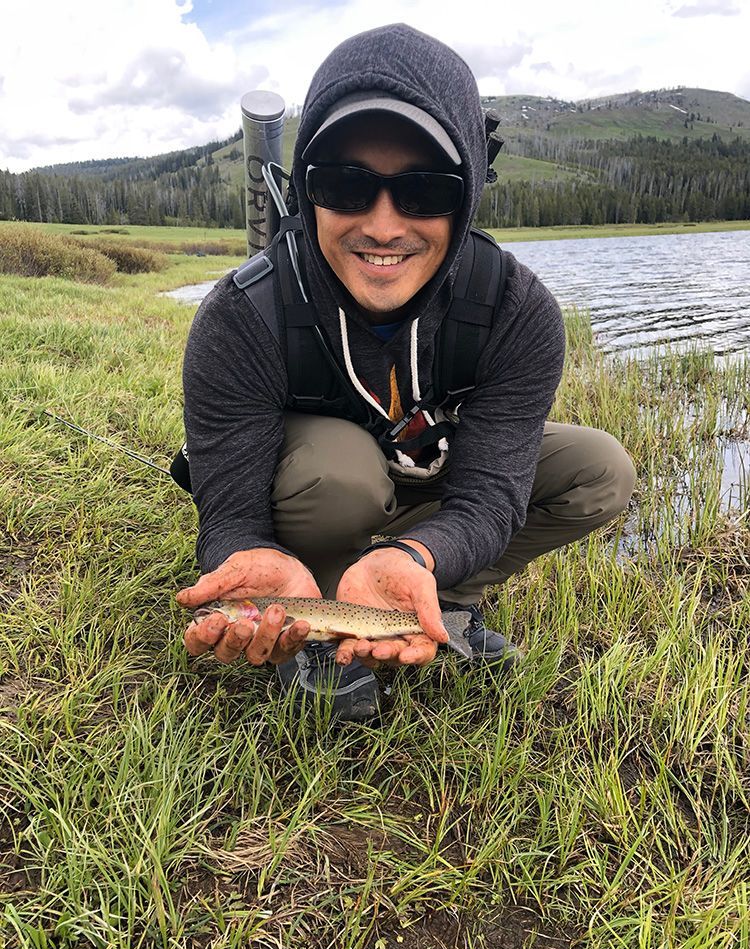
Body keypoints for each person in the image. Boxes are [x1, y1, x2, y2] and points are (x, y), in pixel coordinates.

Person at [175, 23, 636, 721]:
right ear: (307, 192)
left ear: (469, 193)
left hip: (424, 480)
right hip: (328, 487)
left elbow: (490, 495)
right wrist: (247, 556)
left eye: (424, 190)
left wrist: (423, 555)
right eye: (346, 185)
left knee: (600, 470)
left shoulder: (516, 309)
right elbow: (230, 514)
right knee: (338, 475)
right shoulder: (241, 315)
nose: (384, 226)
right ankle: (319, 633)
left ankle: (432, 600)